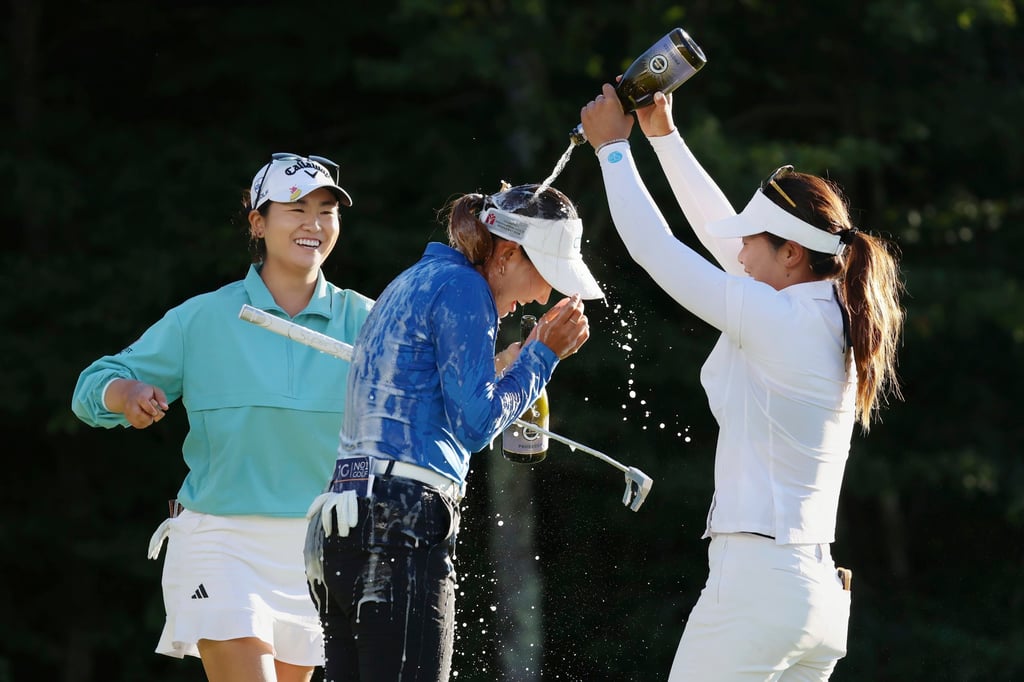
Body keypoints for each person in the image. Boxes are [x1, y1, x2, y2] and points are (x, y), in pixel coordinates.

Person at [580, 83, 905, 681]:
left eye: (753, 240)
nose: (739, 251)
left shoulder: (783, 320)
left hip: (758, 585)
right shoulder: (827, 310)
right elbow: (721, 238)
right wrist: (664, 138)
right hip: (818, 599)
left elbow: (657, 250)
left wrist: (613, 151)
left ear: (791, 255)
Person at [71, 153, 374, 682]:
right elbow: (92, 387)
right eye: (295, 208)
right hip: (221, 539)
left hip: (318, 549)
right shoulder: (203, 318)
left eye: (326, 210)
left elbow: (433, 393)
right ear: (258, 223)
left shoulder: (370, 320)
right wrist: (129, 394)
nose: (314, 223)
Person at [303, 181, 602, 681]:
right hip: (401, 518)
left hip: (344, 517)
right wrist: (542, 355)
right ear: (507, 254)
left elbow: (424, 389)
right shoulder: (466, 288)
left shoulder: (418, 278)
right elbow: (476, 423)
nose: (545, 294)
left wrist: (509, 364)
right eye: (544, 274)